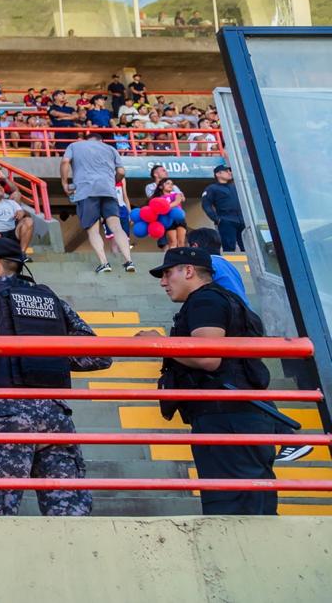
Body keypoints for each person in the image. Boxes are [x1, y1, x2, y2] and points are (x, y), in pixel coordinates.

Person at [0, 238, 111, 516]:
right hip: (55, 414)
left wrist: (5, 354)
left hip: (5, 412)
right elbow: (98, 354)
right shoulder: (51, 299)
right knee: (69, 512)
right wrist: (45, 357)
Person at [142, 247, 281, 515]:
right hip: (237, 415)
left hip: (226, 417)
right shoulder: (222, 300)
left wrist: (156, 343)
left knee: (232, 510)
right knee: (251, 505)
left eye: (168, 273)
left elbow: (208, 357)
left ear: (189, 271)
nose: (163, 282)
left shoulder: (205, 300)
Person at [61, 129, 136, 274]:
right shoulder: (110, 149)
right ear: (101, 140)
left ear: (86, 139)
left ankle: (104, 263)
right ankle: (128, 261)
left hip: (86, 190)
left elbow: (65, 162)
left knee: (93, 229)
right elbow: (121, 172)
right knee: (116, 226)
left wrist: (64, 183)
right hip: (108, 190)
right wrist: (112, 182)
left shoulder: (75, 146)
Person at [187, 227, 248, 305]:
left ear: (194, 247)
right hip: (244, 310)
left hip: (229, 311)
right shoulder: (228, 264)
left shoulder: (205, 264)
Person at [201, 164, 246, 251]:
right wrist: (216, 219)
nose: (230, 173)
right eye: (226, 171)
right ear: (218, 174)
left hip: (242, 221)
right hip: (226, 221)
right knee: (229, 248)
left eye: (230, 171)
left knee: (248, 248)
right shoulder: (212, 188)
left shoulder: (235, 187)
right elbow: (206, 204)